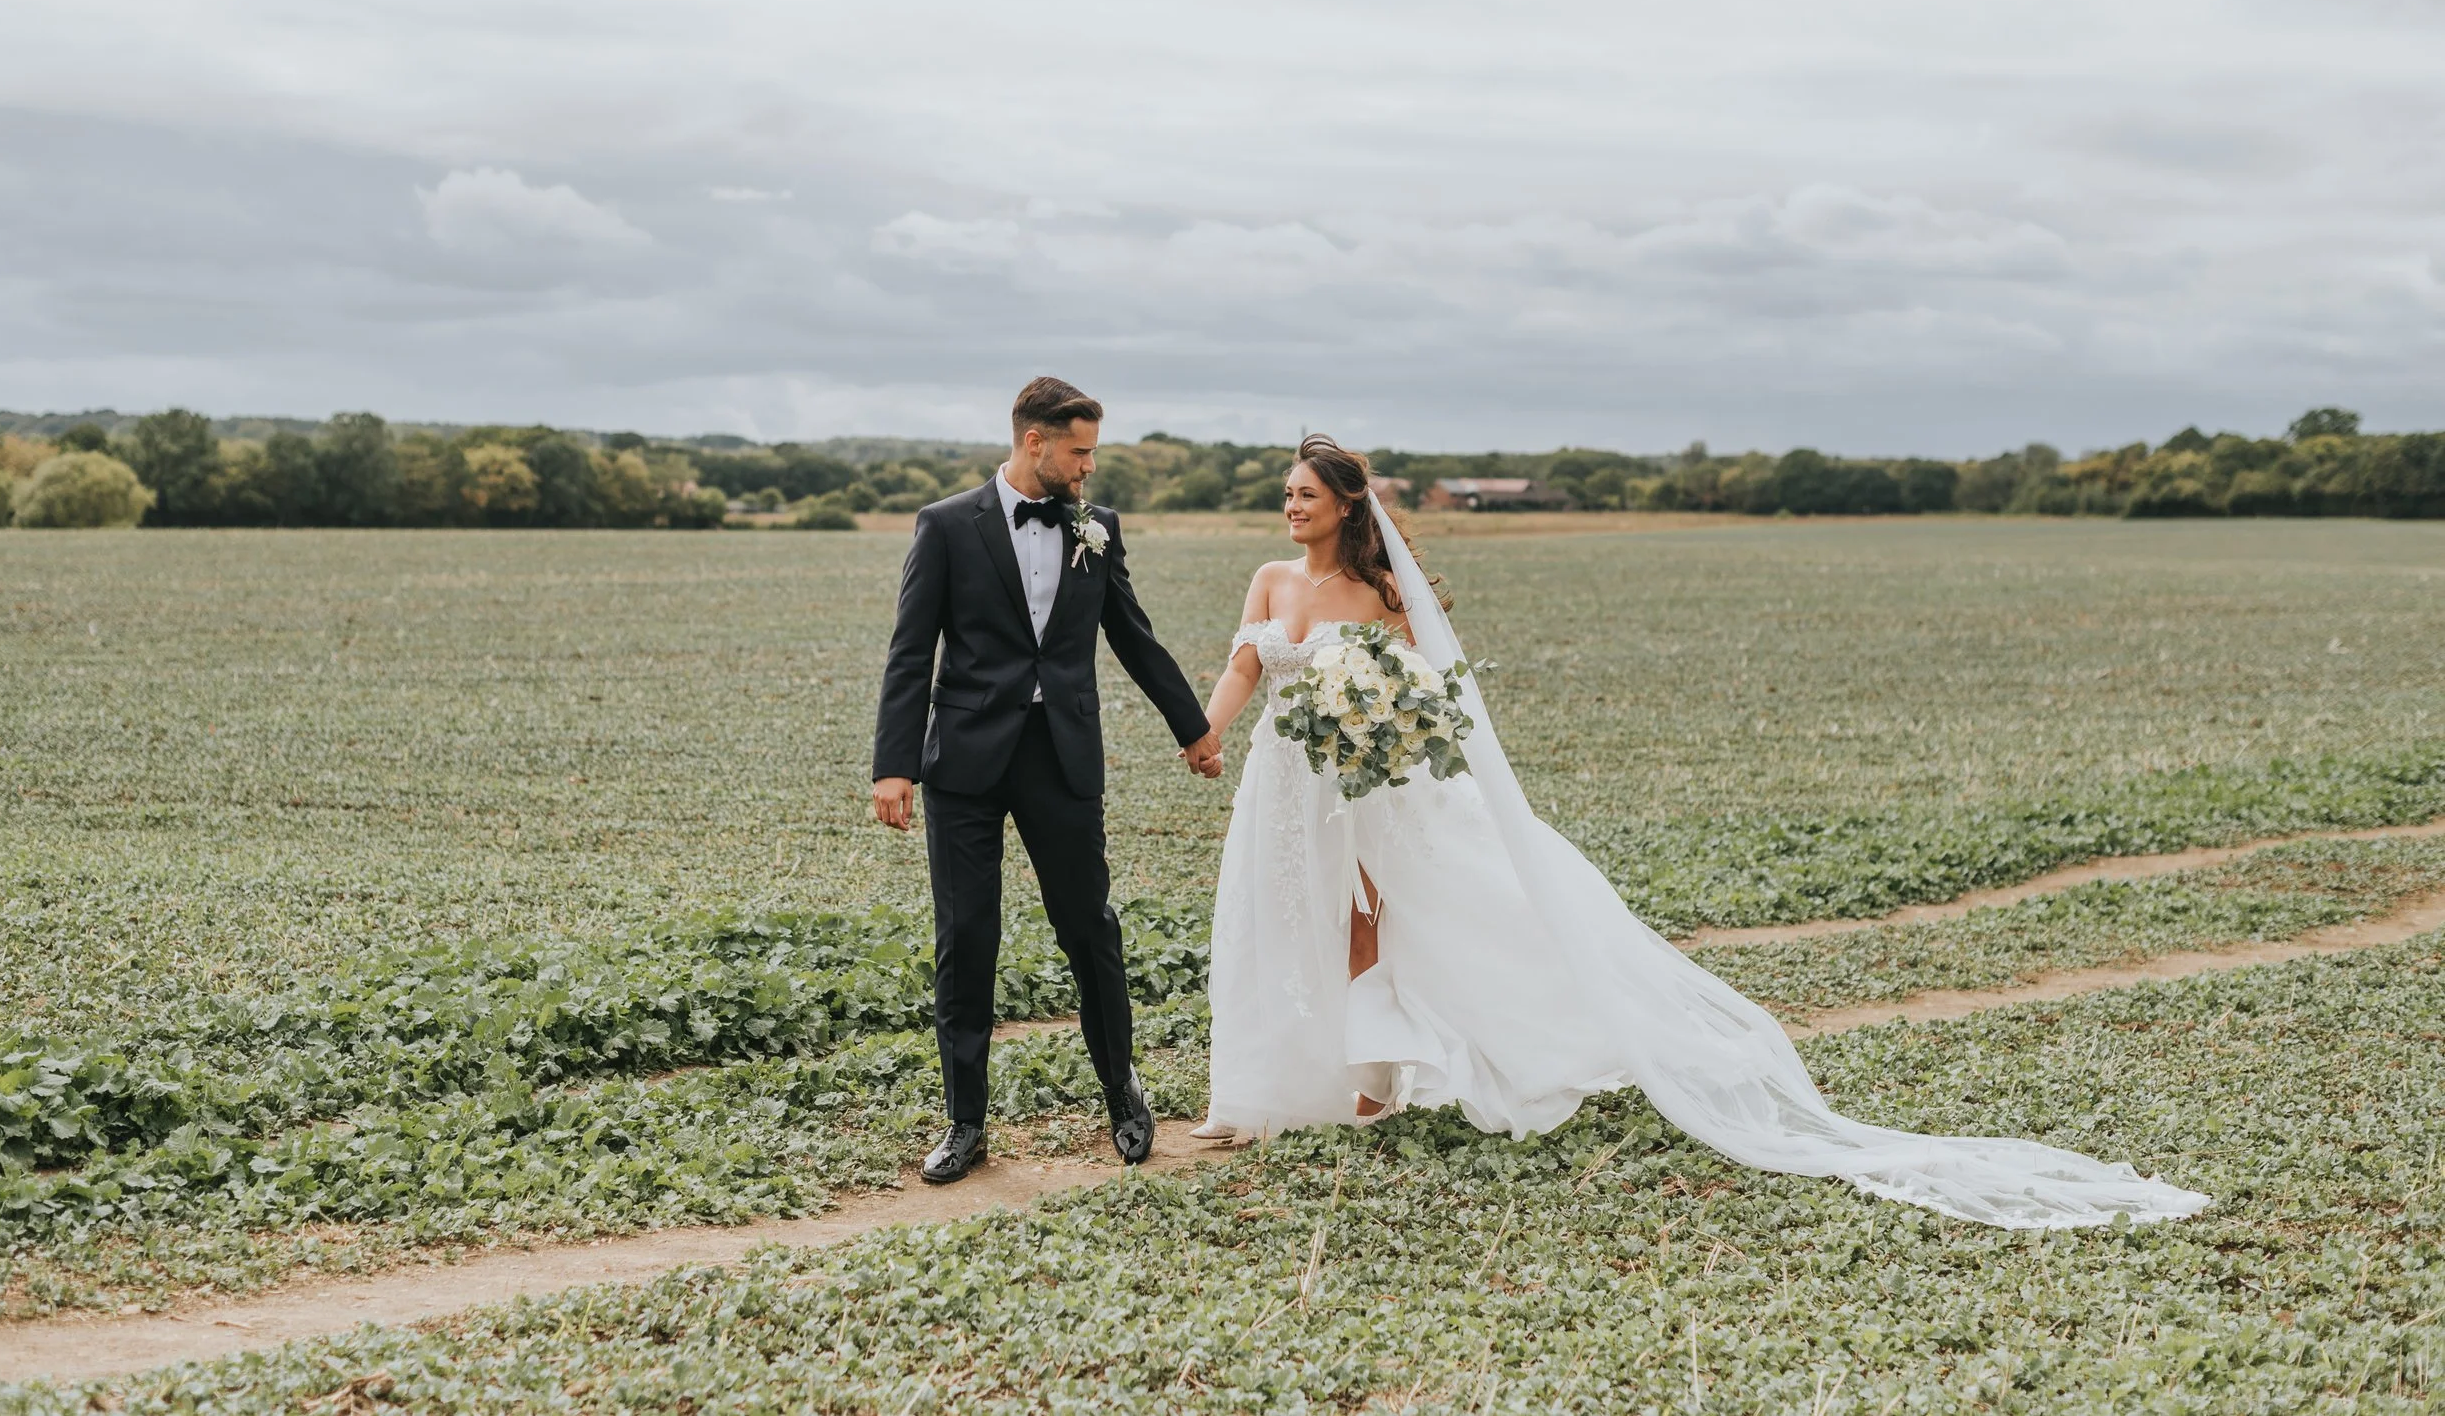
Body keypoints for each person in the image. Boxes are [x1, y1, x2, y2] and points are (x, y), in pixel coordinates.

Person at [1190, 433, 2208, 1229]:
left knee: (1375, 924)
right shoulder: (1271, 582)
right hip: (1283, 781)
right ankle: (1267, 1088)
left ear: (1344, 507)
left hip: (1368, 782)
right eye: (1285, 494)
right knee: (1280, 915)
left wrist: (1374, 718)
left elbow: (1420, 695)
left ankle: (1380, 1078)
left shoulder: (1376, 593)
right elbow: (1245, 663)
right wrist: (1210, 735)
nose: (1290, 507)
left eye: (1304, 494)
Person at [871, 376, 1224, 1185]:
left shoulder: (1097, 528)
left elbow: (1132, 635)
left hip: (1061, 757)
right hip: (962, 762)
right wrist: (893, 765)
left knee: (1088, 927)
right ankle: (965, 1122)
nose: (1089, 467)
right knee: (966, 939)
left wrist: (1193, 726)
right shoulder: (946, 526)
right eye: (1080, 450)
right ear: (1036, 442)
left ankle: (1122, 1091)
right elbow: (909, 650)